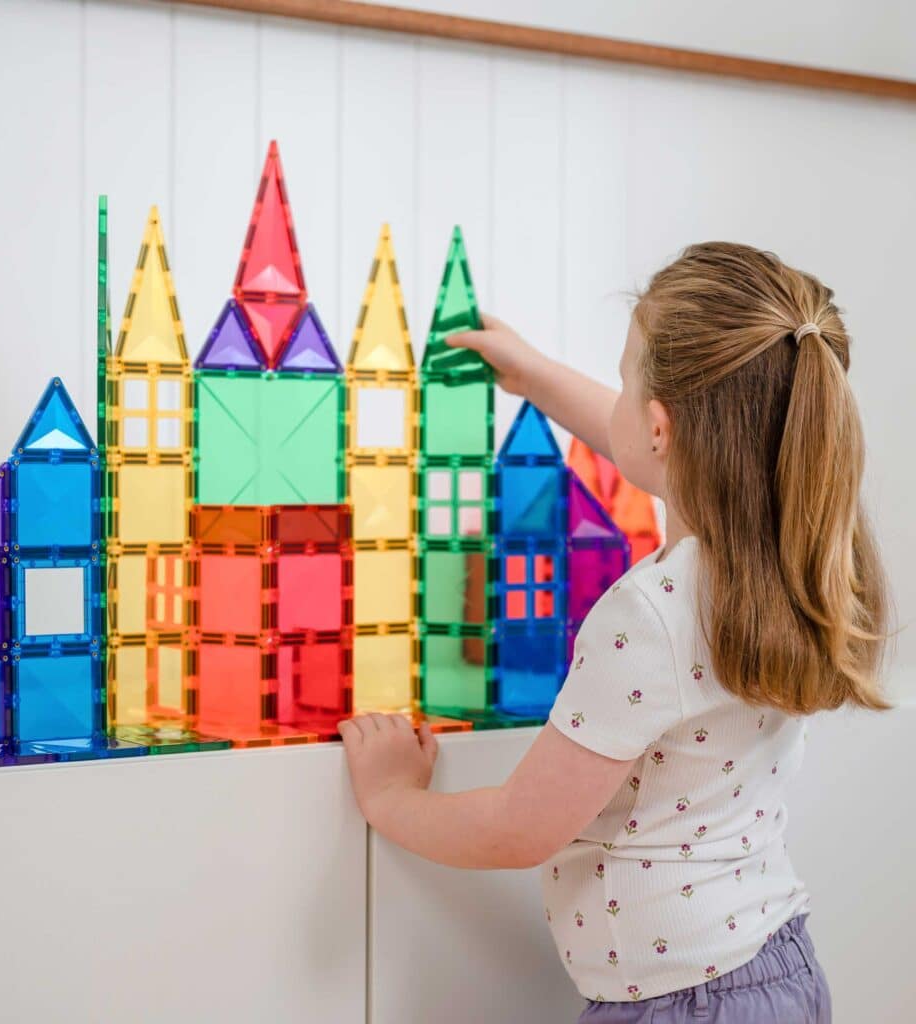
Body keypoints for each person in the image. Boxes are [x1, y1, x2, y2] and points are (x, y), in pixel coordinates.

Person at [337, 242, 891, 1022]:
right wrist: (531, 374)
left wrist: (391, 796)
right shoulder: (793, 557)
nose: (618, 397)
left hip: (677, 1007)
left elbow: (516, 828)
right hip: (776, 971)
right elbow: (644, 438)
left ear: (662, 428)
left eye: (627, 377)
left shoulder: (652, 615)